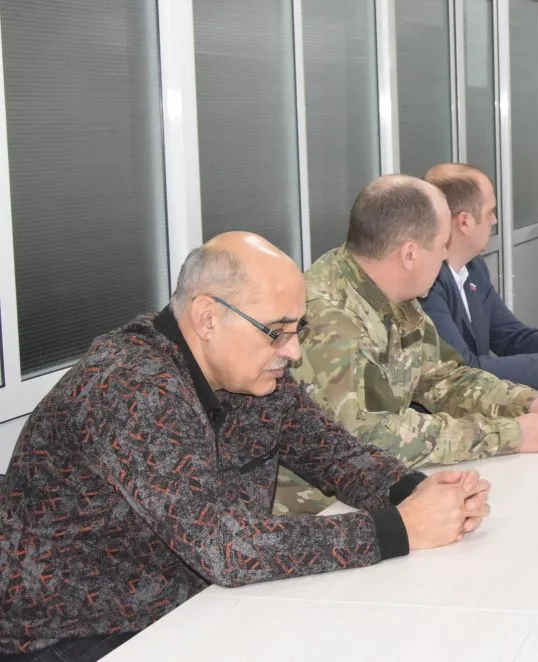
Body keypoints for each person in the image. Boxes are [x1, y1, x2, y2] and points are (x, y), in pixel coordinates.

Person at [0, 233, 491, 661]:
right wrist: (401, 529)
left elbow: (336, 454)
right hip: (75, 634)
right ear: (208, 318)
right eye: (277, 331)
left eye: (297, 330)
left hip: (188, 602)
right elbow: (229, 547)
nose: (292, 350)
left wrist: (421, 494)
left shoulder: (250, 373)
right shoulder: (133, 387)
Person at [277, 175, 538, 515]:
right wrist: (509, 434)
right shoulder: (329, 318)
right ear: (409, 254)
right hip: (318, 513)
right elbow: (365, 437)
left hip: (368, 492)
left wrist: (525, 403)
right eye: (442, 244)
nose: (447, 255)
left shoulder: (393, 291)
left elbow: (445, 377)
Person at [422, 163, 538, 389]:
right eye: (490, 212)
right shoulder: (426, 284)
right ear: (465, 221)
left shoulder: (474, 268)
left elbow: (510, 337)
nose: (494, 221)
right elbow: (464, 370)